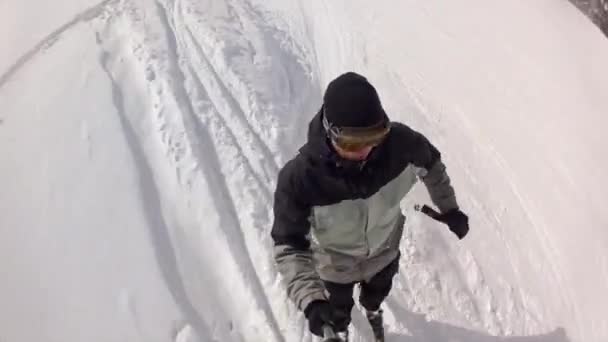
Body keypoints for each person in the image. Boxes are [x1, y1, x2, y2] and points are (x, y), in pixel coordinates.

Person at [271, 72, 469, 341]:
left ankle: (373, 311)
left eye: (375, 136)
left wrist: (449, 209)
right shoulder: (301, 179)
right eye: (352, 142)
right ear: (330, 131)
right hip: (334, 267)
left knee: (377, 292)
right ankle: (341, 328)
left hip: (384, 252)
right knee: (336, 311)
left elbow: (432, 166)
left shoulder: (401, 145)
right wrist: (312, 301)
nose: (364, 151)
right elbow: (289, 246)